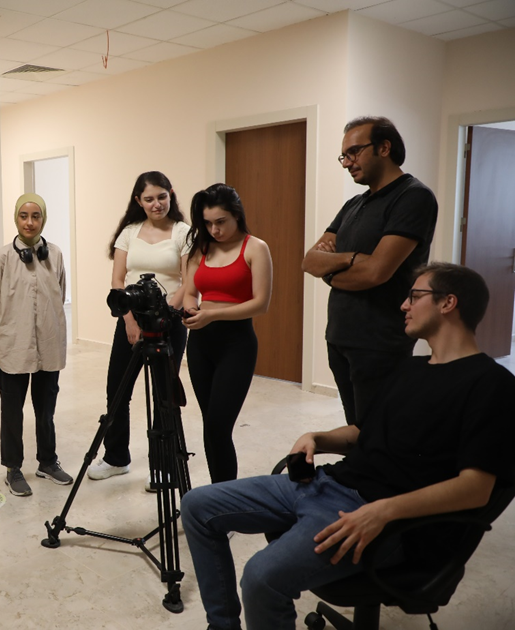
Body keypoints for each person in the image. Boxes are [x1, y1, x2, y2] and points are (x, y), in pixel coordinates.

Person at [180, 263, 515, 630]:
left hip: (377, 514)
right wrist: (318, 438)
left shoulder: (491, 384)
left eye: (414, 296)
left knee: (261, 578)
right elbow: (362, 431)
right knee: (197, 505)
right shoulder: (411, 369)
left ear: (448, 303)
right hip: (327, 483)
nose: (404, 305)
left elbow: (475, 489)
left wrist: (382, 511)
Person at [302, 116, 438, 427]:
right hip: (340, 336)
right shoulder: (353, 204)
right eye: (344, 156)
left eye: (354, 152)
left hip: (380, 340)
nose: (347, 163)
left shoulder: (413, 197)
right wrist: (353, 259)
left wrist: (333, 266)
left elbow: (377, 272)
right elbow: (310, 261)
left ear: (384, 148)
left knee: (378, 431)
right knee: (356, 429)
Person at [88, 171, 191, 485]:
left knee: (164, 396)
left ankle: (163, 466)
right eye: (149, 199)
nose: (156, 204)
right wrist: (129, 320)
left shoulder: (183, 232)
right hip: (131, 320)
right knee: (117, 391)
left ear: (171, 194)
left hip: (169, 322)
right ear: (139, 201)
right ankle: (116, 457)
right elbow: (118, 280)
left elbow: (189, 281)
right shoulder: (129, 232)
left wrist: (167, 314)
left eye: (162, 196)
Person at [182, 184, 272, 484]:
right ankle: (218, 495)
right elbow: (190, 292)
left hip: (236, 344)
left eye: (220, 222)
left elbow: (260, 304)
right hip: (200, 343)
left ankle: (225, 499)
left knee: (219, 426)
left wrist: (212, 314)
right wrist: (191, 309)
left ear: (237, 215)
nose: (214, 230)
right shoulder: (201, 248)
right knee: (210, 426)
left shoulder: (255, 248)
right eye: (207, 223)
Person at [0, 192, 72, 497]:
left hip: (49, 343)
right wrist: (14, 327)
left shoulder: (55, 254)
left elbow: (60, 293)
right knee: (12, 412)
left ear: (43, 219)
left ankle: (47, 462)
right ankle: (13, 468)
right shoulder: (3, 257)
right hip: (14, 346)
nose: (30, 222)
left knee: (46, 410)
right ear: (16, 218)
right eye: (24, 216)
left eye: (36, 216)